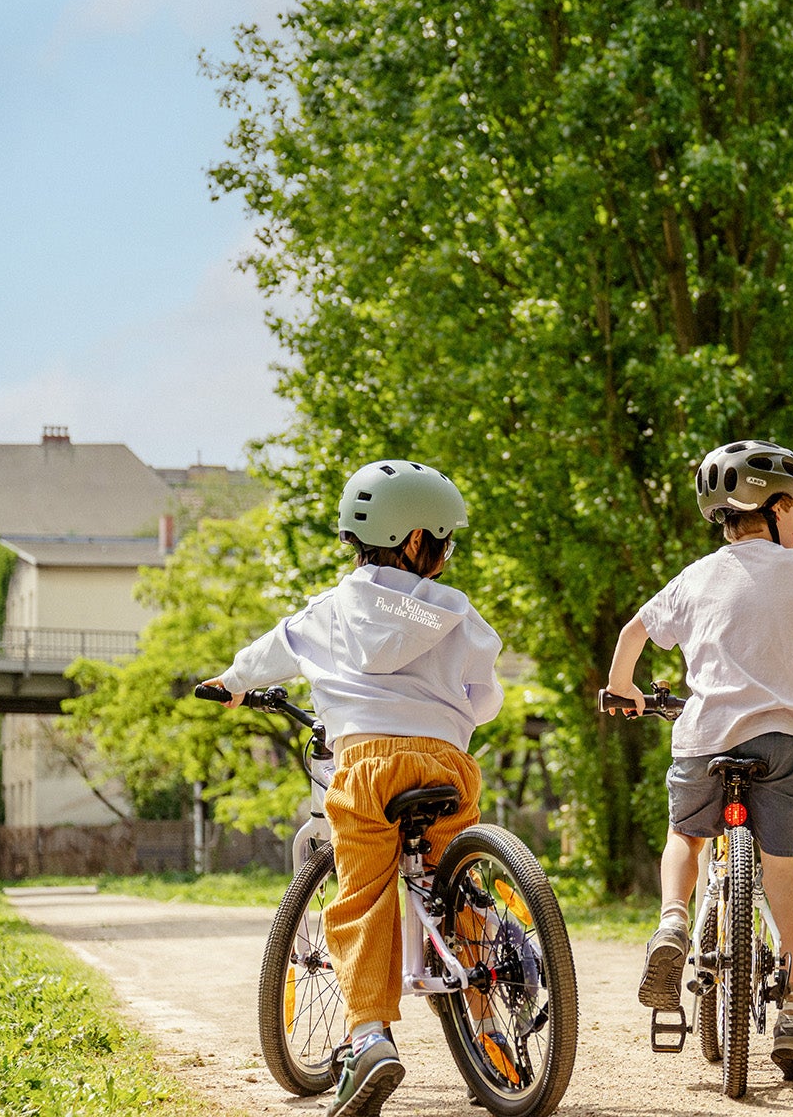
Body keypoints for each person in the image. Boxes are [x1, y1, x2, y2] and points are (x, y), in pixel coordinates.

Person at [203, 460, 504, 1117]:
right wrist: (460, 718)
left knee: (362, 896)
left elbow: (266, 655)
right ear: (417, 540)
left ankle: (368, 1035)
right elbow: (485, 693)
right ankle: (493, 1032)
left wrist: (231, 682)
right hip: (444, 763)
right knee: (461, 886)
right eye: (444, 540)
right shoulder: (453, 609)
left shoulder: (331, 608)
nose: (447, 554)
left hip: (364, 763)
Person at [606, 439, 793, 1081]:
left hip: (703, 739)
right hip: (781, 742)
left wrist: (623, 690)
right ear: (774, 509)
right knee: (783, 873)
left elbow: (633, 633)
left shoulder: (695, 576)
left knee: (686, 839)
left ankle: (671, 923)